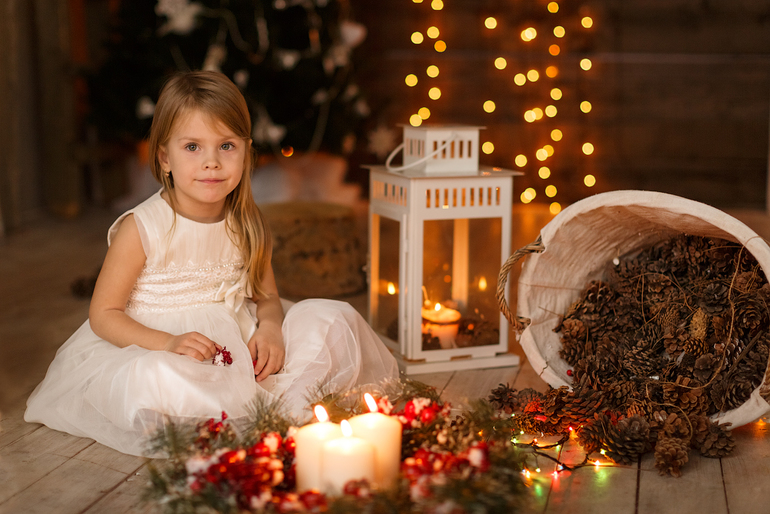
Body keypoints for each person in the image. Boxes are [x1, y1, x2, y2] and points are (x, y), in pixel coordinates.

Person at [25, 71, 399, 456]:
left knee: (329, 320)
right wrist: (167, 344)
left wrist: (270, 327)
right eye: (192, 147)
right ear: (164, 157)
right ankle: (236, 412)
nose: (211, 163)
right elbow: (104, 314)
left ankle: (271, 407)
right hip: (159, 345)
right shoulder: (142, 228)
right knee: (157, 378)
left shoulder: (248, 223)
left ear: (246, 152)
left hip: (239, 339)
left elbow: (267, 295)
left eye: (226, 146)